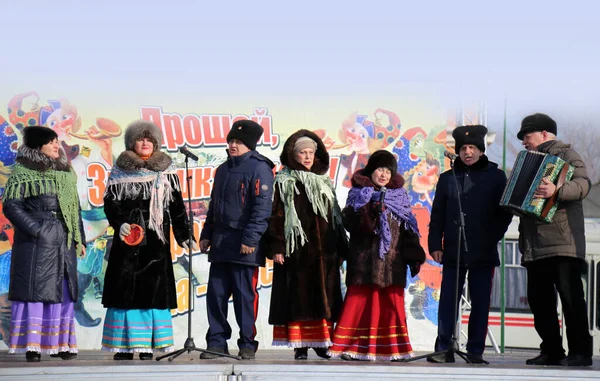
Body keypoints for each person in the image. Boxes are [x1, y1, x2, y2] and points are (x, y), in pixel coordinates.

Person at [101, 120, 194, 360]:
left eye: (149, 140)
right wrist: (120, 223)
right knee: (125, 291)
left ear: (156, 144)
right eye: (141, 139)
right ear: (132, 143)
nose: (145, 143)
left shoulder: (165, 169)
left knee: (152, 291)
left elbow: (176, 206)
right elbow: (111, 203)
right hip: (127, 240)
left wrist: (184, 234)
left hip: (156, 240)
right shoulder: (120, 169)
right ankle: (123, 346)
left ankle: (146, 346)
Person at [328, 150, 425, 361]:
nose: (383, 174)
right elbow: (350, 224)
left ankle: (394, 350)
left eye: (388, 171)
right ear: (371, 171)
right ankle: (353, 348)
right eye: (380, 169)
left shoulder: (400, 198)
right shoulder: (358, 194)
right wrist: (369, 210)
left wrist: (414, 256)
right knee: (360, 305)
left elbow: (409, 229)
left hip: (392, 264)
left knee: (391, 307)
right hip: (364, 263)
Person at [427, 125, 512, 364]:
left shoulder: (496, 177)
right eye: (463, 148)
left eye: (472, 147)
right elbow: (438, 214)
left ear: (481, 150)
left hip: (483, 251)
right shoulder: (447, 178)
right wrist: (436, 243)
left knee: (480, 301)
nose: (467, 152)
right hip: (453, 249)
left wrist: (491, 236)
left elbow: (504, 213)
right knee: (448, 302)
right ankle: (443, 348)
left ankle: (475, 350)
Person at [3, 126, 86, 362]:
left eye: (57, 141)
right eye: (50, 142)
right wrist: (38, 229)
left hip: (64, 240)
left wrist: (78, 238)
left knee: (64, 292)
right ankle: (33, 346)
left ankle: (61, 344)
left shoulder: (65, 172)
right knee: (37, 292)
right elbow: (11, 206)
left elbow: (74, 209)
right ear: (38, 145)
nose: (56, 145)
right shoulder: (23, 172)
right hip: (36, 243)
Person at [516, 113, 593, 367]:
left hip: (563, 243)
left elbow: (583, 184)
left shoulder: (568, 156)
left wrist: (557, 191)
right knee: (540, 302)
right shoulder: (525, 161)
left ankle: (580, 352)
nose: (524, 142)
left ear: (545, 133)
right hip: (534, 245)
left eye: (527, 136)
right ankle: (551, 349)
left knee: (571, 300)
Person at [265, 130, 347, 360]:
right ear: (294, 154)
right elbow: (276, 215)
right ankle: (300, 345)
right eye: (303, 152)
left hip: (325, 252)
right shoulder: (284, 181)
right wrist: (277, 247)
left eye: (311, 152)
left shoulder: (324, 181)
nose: (308, 157)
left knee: (324, 297)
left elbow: (335, 216)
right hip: (297, 251)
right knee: (298, 297)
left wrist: (340, 248)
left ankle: (321, 343)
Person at [199, 120, 274, 360]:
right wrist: (206, 234)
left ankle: (247, 344)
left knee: (244, 297)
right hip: (221, 242)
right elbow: (214, 206)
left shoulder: (259, 168)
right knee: (216, 295)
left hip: (245, 244)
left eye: (238, 142)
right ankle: (216, 342)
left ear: (250, 145)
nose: (232, 145)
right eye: (231, 141)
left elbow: (262, 210)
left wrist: (250, 239)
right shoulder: (222, 169)